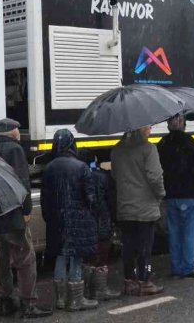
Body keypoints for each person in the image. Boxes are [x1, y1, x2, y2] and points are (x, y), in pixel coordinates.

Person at [0, 118, 51, 318]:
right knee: (26, 259)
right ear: (12, 132)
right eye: (18, 129)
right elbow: (22, 181)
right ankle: (28, 302)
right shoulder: (14, 150)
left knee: (2, 260)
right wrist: (26, 210)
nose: (19, 132)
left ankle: (5, 300)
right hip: (13, 214)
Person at [41, 129, 99, 311]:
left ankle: (60, 298)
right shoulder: (81, 167)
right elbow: (91, 198)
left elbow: (45, 199)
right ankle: (76, 300)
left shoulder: (49, 168)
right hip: (78, 221)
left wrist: (50, 217)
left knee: (60, 256)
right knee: (76, 257)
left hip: (57, 221)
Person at [111, 126, 166, 296]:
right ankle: (145, 281)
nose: (150, 128)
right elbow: (155, 176)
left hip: (125, 206)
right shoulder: (148, 149)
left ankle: (129, 282)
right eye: (148, 125)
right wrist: (161, 193)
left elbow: (114, 174)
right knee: (145, 247)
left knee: (128, 246)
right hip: (145, 207)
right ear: (140, 128)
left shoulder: (117, 150)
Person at [157, 114, 194, 278]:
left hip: (170, 194)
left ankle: (176, 267)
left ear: (168, 126)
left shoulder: (162, 144)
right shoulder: (190, 142)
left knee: (174, 232)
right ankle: (188, 267)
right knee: (188, 232)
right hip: (188, 193)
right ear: (184, 125)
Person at [84, 163, 122, 302]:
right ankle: (100, 290)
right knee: (102, 254)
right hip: (103, 220)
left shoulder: (81, 175)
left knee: (88, 257)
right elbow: (112, 201)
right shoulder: (104, 177)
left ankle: (87, 290)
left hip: (87, 220)